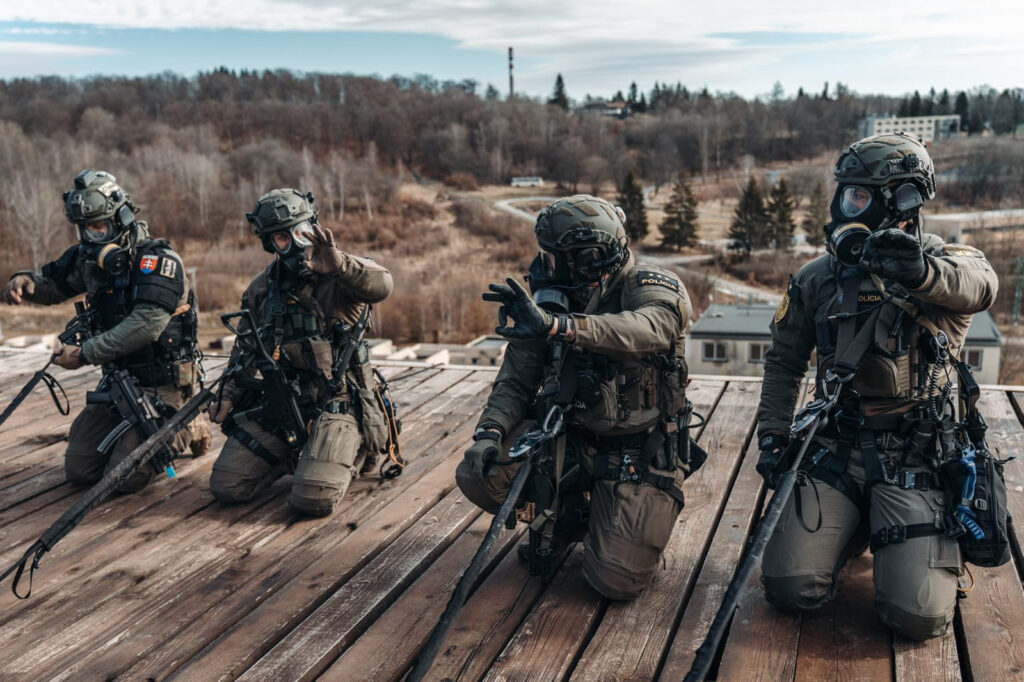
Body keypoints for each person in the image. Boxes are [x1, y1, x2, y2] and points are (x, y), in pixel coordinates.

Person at [756, 132, 998, 640]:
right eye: (845, 194)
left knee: (920, 618)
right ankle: (857, 523)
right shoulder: (817, 278)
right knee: (788, 586)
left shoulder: (943, 266)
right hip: (836, 447)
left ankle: (892, 531)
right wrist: (774, 435)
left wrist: (919, 272)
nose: (846, 209)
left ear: (902, 202)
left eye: (859, 197)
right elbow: (782, 363)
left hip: (915, 454)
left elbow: (981, 283)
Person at [456, 194, 699, 600]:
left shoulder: (651, 288)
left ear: (587, 258)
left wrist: (560, 326)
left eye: (552, 258)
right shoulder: (552, 302)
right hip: (568, 442)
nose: (543, 267)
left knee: (615, 581)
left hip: (638, 451)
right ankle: (572, 518)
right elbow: (515, 381)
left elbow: (646, 329)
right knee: (477, 472)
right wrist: (490, 432)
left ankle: (621, 524)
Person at [2, 169, 210, 492]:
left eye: (98, 226)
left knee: (122, 478)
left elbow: (146, 325)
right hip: (119, 382)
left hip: (165, 384)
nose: (90, 236)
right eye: (83, 229)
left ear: (122, 218)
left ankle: (190, 421)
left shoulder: (157, 260)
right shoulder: (89, 259)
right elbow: (53, 286)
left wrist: (84, 354)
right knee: (80, 471)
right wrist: (26, 283)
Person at [207, 188, 394, 516]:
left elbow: (382, 285)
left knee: (312, 500)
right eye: (282, 237)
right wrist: (230, 394)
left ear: (315, 227)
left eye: (301, 231)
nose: (295, 243)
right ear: (270, 244)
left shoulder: (340, 274)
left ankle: (359, 448)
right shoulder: (261, 289)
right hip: (283, 405)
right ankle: (297, 456)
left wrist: (340, 267)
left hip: (339, 404)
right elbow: (244, 352)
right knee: (228, 485)